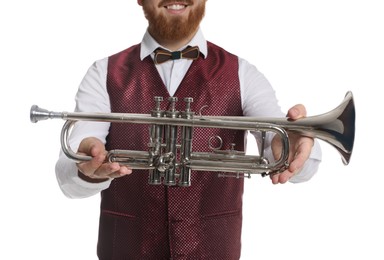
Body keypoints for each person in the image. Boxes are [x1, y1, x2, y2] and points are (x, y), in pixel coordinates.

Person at [55, 0, 322, 259]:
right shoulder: (102, 73)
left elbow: (282, 146)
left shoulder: (243, 73)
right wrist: (86, 165)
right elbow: (68, 178)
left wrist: (290, 148)